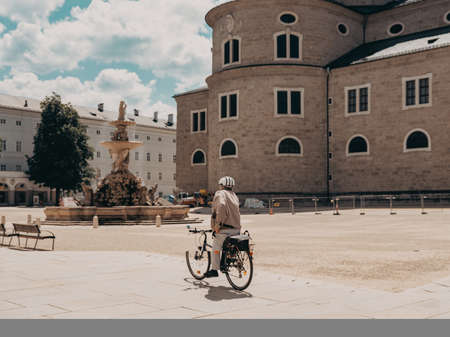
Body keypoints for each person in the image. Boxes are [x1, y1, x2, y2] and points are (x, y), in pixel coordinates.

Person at [204, 176, 241, 278]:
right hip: (236, 229)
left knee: (216, 246)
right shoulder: (234, 195)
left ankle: (214, 270)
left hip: (225, 229)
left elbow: (222, 207)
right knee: (227, 245)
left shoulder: (220, 193)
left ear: (221, 185)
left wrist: (217, 225)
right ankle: (226, 261)